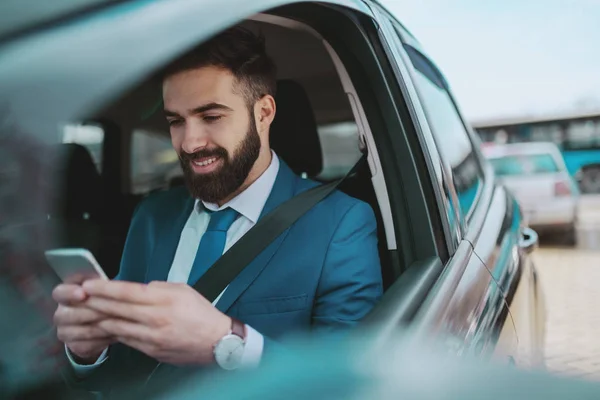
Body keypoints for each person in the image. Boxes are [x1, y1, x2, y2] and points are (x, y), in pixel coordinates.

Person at [51, 26, 383, 395]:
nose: (190, 142)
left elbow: (349, 382)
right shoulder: (152, 215)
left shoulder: (341, 223)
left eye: (211, 117)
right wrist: (87, 353)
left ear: (263, 112)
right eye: (176, 121)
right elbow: (125, 370)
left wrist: (228, 342)